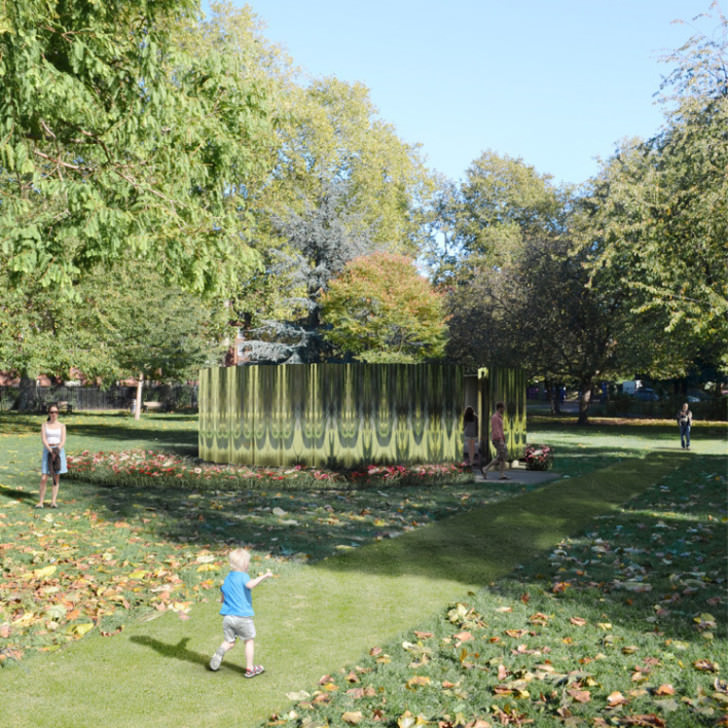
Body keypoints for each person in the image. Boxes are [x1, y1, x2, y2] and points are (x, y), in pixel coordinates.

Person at [209, 548, 273, 678]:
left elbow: (223, 594)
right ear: (244, 564)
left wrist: (222, 599)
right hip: (242, 617)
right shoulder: (243, 576)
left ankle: (220, 651)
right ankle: (250, 668)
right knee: (249, 641)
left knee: (230, 642)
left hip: (228, 618)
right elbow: (250, 585)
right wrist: (264, 576)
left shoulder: (228, 578)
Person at [37, 404, 67, 508]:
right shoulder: (44, 425)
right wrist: (50, 450)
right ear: (49, 413)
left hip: (58, 451)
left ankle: (53, 502)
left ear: (58, 413)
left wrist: (57, 450)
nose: (54, 414)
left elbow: (63, 440)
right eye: (52, 412)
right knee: (44, 477)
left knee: (56, 476)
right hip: (48, 451)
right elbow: (44, 439)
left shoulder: (62, 426)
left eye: (56, 412)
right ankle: (40, 502)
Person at [481, 402, 509, 480]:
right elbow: (496, 430)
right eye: (503, 408)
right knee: (502, 455)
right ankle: (485, 468)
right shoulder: (495, 417)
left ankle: (501, 475)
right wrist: (500, 440)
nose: (504, 409)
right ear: (500, 408)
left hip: (500, 439)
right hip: (497, 440)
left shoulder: (499, 417)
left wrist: (503, 439)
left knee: (502, 456)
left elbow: (500, 429)